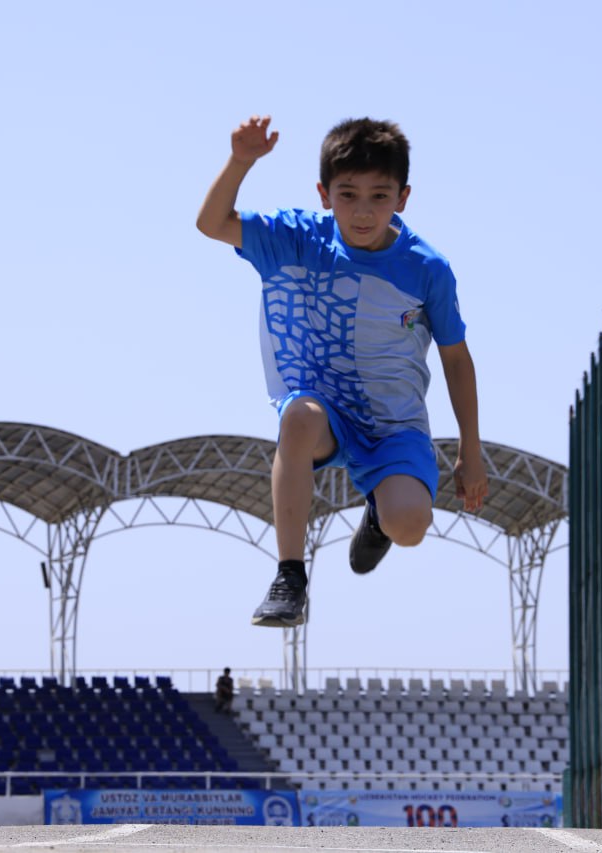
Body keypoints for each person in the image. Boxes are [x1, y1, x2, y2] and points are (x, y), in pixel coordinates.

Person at [196, 115, 488, 627]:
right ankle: (290, 577)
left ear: (402, 198)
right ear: (324, 194)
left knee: (410, 525)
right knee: (298, 418)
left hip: (392, 425)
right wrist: (241, 161)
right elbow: (212, 223)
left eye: (379, 196)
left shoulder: (427, 268)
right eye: (348, 195)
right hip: (324, 410)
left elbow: (456, 359)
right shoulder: (298, 238)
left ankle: (379, 516)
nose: (363, 211)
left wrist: (471, 448)